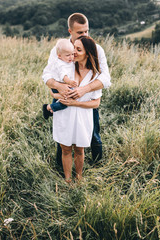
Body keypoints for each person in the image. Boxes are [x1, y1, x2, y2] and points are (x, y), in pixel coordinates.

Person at [42, 13, 111, 168]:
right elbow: (47, 74)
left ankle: (97, 166)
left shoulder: (96, 48)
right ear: (70, 31)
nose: (85, 35)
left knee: (93, 132)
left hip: (86, 97)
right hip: (64, 93)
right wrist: (59, 86)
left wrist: (84, 90)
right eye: (80, 32)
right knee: (63, 133)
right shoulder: (59, 48)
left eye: (86, 31)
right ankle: (61, 168)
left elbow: (106, 77)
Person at [53, 36, 102, 182]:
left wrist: (76, 103)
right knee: (66, 149)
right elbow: (52, 89)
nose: (73, 52)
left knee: (80, 150)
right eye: (74, 47)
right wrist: (57, 92)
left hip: (83, 117)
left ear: (87, 53)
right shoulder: (66, 67)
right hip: (65, 115)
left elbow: (96, 103)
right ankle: (67, 179)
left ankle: (79, 178)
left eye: (78, 49)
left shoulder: (95, 75)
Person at [42, 39, 78, 119]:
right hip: (59, 85)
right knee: (66, 102)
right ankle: (48, 107)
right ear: (59, 56)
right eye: (68, 55)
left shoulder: (68, 61)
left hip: (61, 85)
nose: (71, 57)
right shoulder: (60, 64)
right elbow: (63, 75)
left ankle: (52, 109)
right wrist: (69, 82)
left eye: (72, 54)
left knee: (58, 99)